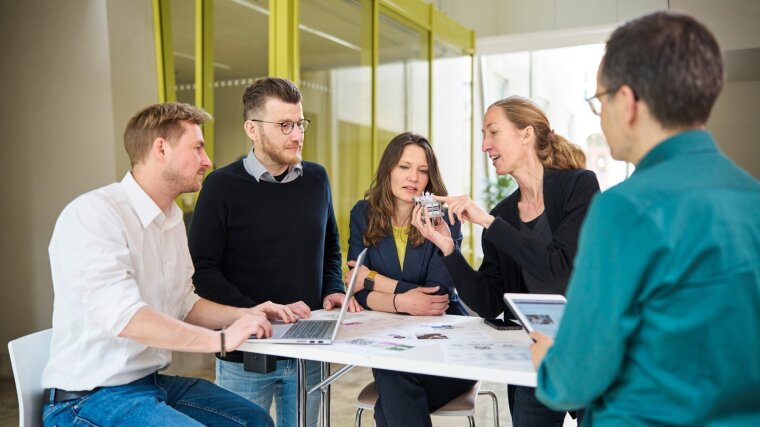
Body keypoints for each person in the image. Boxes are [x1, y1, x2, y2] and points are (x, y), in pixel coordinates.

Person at [527, 11, 760, 426]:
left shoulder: (623, 210)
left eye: (600, 100)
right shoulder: (752, 198)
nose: (600, 114)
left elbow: (575, 380)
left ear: (628, 101)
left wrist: (548, 360)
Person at [41, 102, 298, 426]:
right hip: (85, 399)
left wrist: (249, 313)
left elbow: (183, 303)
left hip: (149, 384)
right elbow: (127, 318)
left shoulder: (171, 220)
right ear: (161, 149)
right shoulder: (93, 215)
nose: (207, 161)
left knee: (254, 420)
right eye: (197, 148)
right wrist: (221, 340)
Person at [414, 96, 600, 426]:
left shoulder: (579, 187)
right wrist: (448, 251)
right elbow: (488, 303)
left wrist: (488, 223)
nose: (485, 145)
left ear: (526, 135)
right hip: (533, 357)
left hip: (588, 349)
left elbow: (560, 270)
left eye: (493, 132)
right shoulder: (502, 216)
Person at [188, 77, 360, 427]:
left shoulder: (317, 179)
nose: (297, 135)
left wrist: (333, 290)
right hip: (245, 354)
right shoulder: (220, 186)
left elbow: (330, 249)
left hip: (308, 351)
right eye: (284, 125)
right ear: (252, 129)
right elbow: (203, 272)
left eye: (299, 124)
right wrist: (253, 313)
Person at [345, 132, 476, 427]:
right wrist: (401, 299)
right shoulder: (362, 214)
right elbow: (357, 287)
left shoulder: (444, 219)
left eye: (422, 170)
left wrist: (375, 281)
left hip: (448, 349)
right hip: (392, 344)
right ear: (389, 169)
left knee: (390, 392)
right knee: (394, 378)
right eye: (404, 167)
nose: (413, 177)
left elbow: (436, 297)